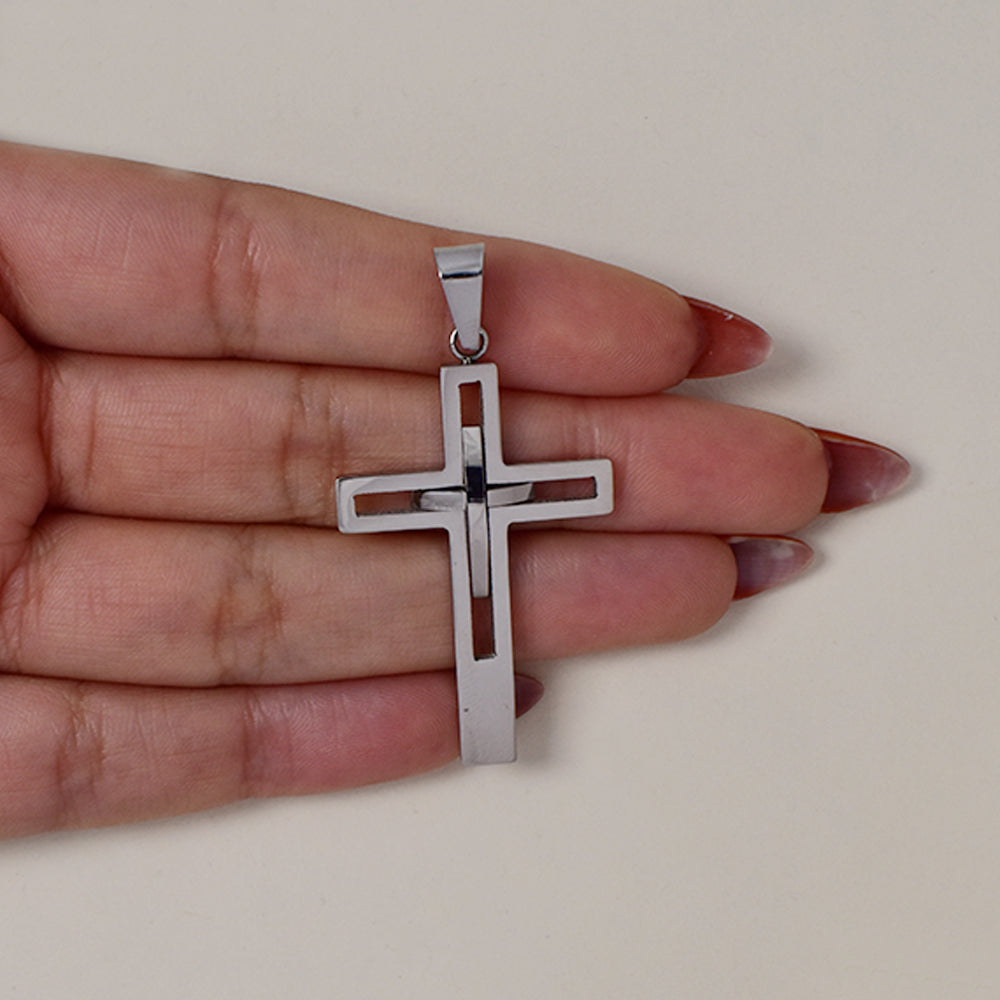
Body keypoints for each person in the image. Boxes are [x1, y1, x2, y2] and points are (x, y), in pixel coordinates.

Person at [0, 142, 908, 838]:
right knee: (473, 602)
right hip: (461, 511)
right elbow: (361, 500)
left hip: (484, 505)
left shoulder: (522, 467)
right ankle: (481, 713)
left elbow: (589, 480)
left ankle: (481, 715)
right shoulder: (422, 483)